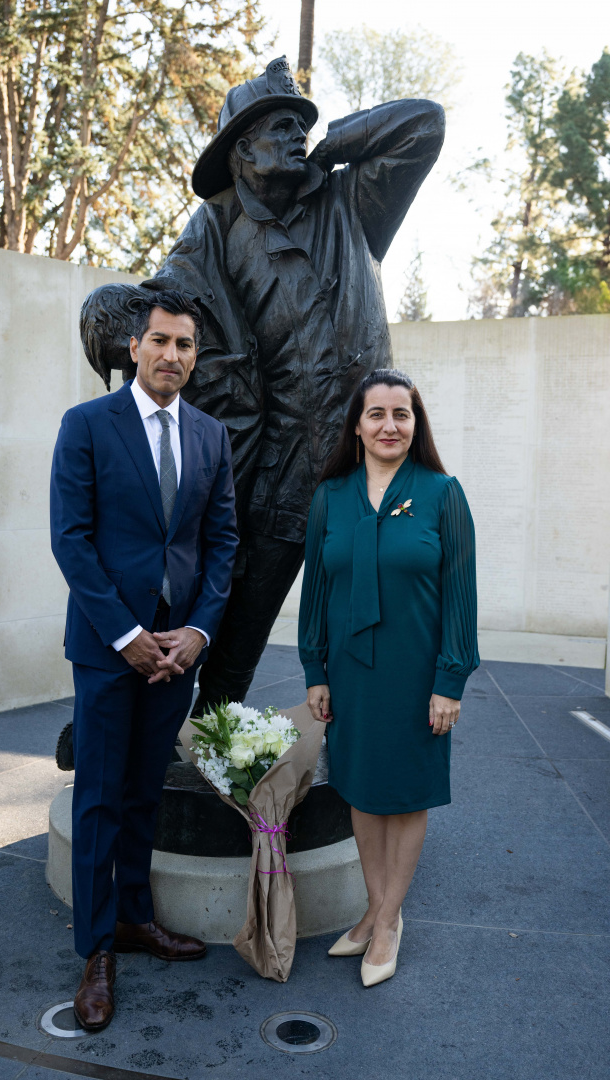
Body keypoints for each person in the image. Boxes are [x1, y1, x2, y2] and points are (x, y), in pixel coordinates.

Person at [98, 55, 445, 716]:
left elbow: (423, 125)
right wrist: (110, 314)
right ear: (240, 150)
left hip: (375, 459)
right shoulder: (218, 224)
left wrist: (332, 144)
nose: (295, 135)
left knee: (374, 620)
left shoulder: (351, 200)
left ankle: (368, 745)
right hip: (283, 462)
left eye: (299, 125)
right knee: (240, 617)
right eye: (278, 126)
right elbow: (166, 304)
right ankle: (199, 736)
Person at [50, 290, 238, 1031]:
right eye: (160, 340)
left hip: (176, 650)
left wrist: (198, 633)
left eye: (185, 344)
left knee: (143, 794)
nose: (172, 355)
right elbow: (71, 539)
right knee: (99, 796)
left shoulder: (211, 436)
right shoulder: (87, 425)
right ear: (134, 347)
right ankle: (97, 951)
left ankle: (135, 918)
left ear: (196, 356)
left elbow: (221, 544)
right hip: (109, 648)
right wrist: (126, 634)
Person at [299, 368, 479, 988]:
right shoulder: (331, 497)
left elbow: (460, 596)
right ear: (357, 424)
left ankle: (386, 923)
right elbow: (315, 593)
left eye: (401, 414)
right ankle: (378, 910)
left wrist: (450, 681)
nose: (389, 426)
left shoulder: (442, 493)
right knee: (360, 791)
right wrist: (315, 670)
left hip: (417, 676)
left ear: (415, 423)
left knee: (405, 795)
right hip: (351, 675)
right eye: (376, 413)